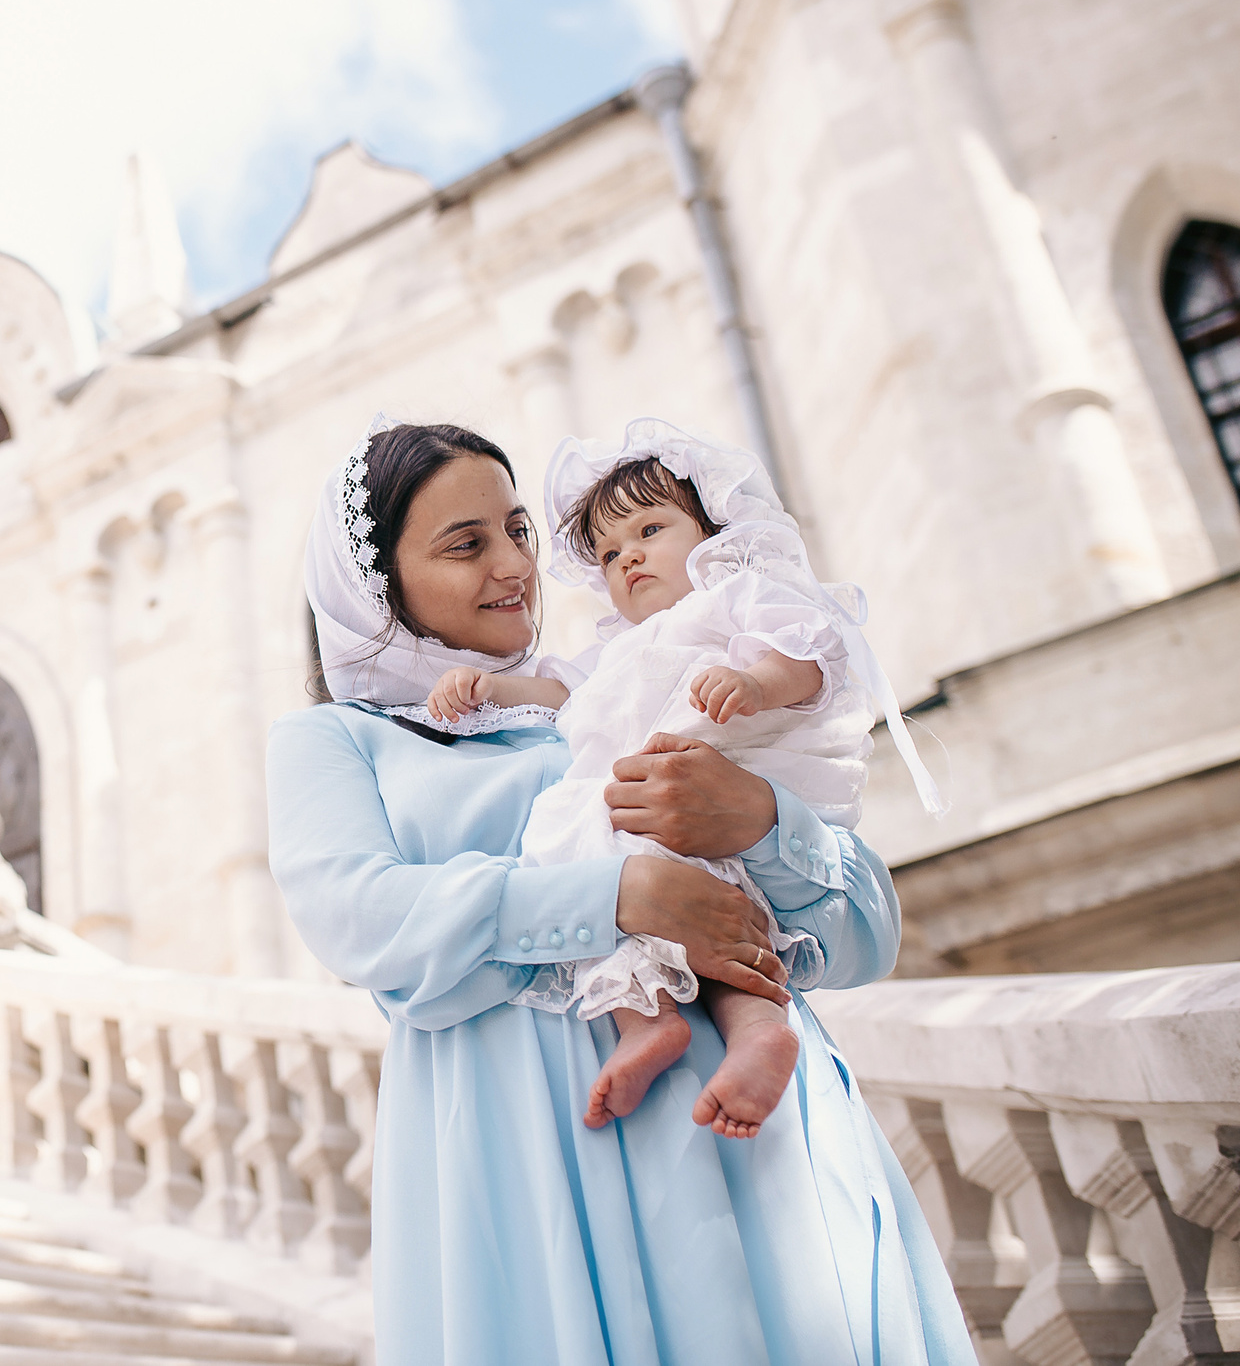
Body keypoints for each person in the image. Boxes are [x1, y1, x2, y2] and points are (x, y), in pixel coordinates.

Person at [270, 417, 973, 1364]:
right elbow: (362, 919)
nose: (514, 565)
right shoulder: (339, 740)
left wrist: (759, 820)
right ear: (378, 584)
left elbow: (867, 934)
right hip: (530, 1148)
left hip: (755, 1134)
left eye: (518, 530)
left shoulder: (628, 685)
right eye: (466, 544)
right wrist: (619, 894)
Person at [427, 419, 935, 1141]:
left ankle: (759, 1029)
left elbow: (810, 652)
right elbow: (560, 694)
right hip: (646, 820)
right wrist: (488, 688)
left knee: (721, 926)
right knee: (570, 849)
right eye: (609, 553)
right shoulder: (620, 649)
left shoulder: (734, 596)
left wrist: (755, 682)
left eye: (649, 530)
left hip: (719, 794)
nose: (628, 557)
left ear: (711, 533)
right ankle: (648, 1022)